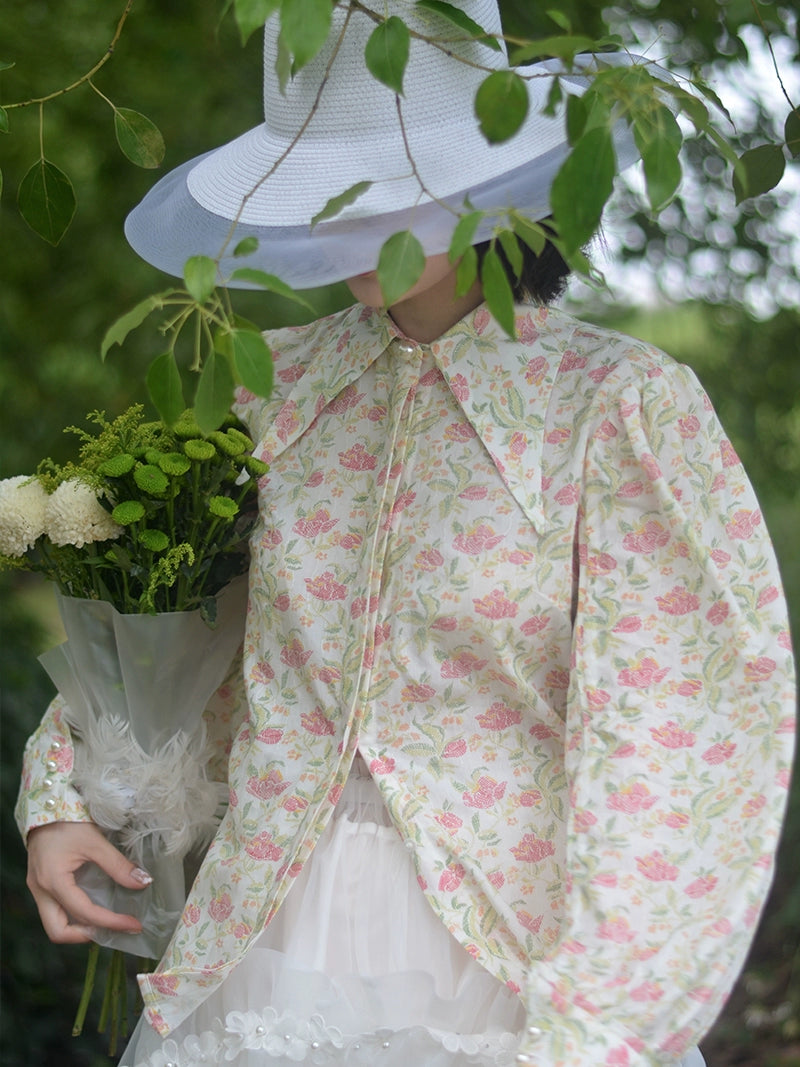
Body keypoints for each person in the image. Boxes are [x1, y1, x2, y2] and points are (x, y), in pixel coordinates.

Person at [16, 2, 795, 1065]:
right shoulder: (269, 394)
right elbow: (194, 643)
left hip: (508, 967)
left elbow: (677, 732)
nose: (346, 217)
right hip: (261, 939)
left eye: (387, 179)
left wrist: (604, 1026)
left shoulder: (613, 407)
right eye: (325, 180)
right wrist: (64, 797)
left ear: (489, 177)